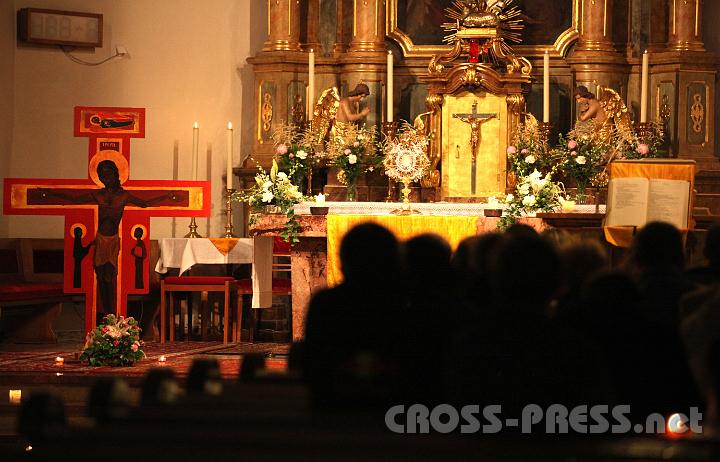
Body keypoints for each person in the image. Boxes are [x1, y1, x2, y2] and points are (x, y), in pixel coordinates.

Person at [40, 160, 178, 318]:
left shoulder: (124, 195)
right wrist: (52, 193)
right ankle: (107, 312)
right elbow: (74, 199)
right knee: (100, 276)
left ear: (115, 174)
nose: (106, 178)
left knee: (109, 276)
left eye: (108, 174)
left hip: (112, 241)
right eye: (102, 175)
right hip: (100, 239)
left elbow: (144, 203)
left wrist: (166, 197)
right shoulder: (98, 194)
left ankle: (111, 310)